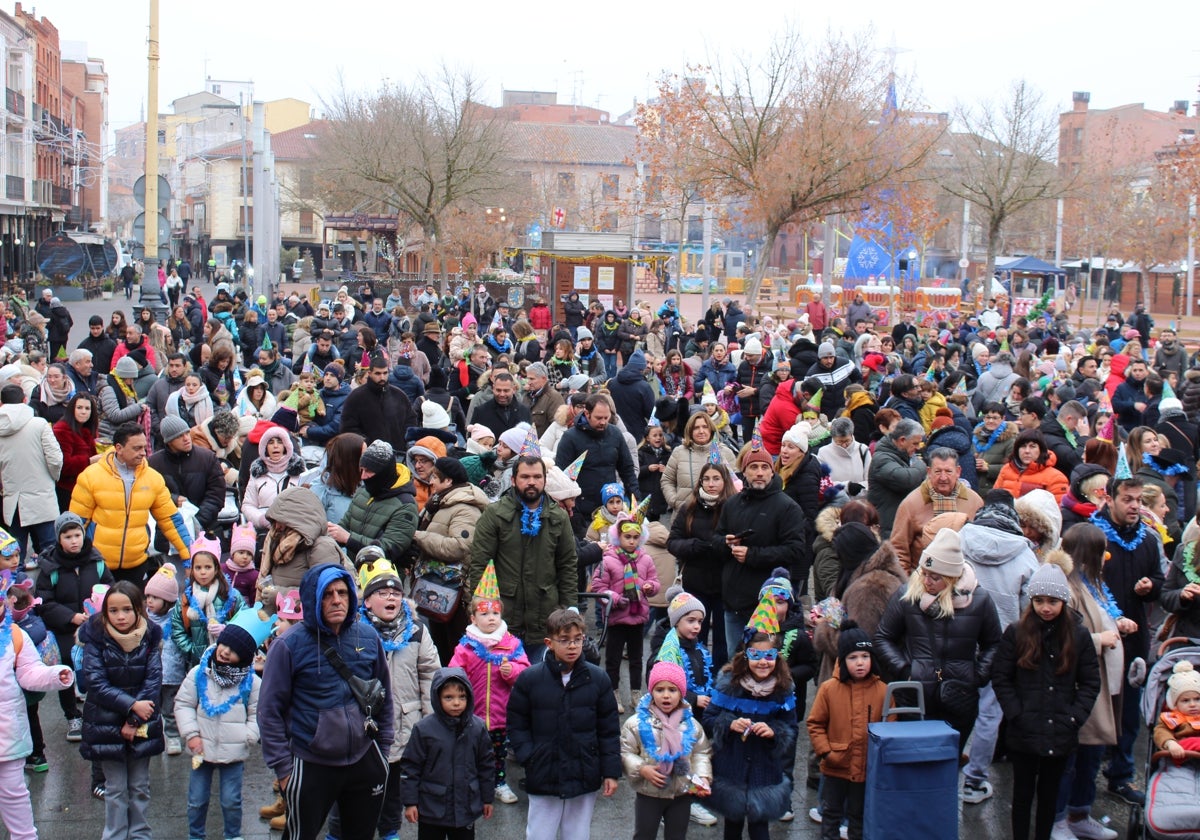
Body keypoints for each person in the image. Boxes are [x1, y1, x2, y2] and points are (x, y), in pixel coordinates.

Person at [257, 563, 394, 840]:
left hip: (363, 758)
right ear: (313, 599)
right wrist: (284, 770)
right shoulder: (288, 645)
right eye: (327, 594)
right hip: (311, 762)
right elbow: (269, 711)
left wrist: (383, 752)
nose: (337, 600)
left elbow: (385, 696)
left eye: (342, 593)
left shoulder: (367, 637)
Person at [327, 559, 440, 840]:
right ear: (366, 602)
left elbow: (430, 676)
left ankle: (389, 831)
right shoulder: (353, 631)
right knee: (351, 787)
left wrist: (430, 720)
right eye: (382, 593)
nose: (391, 597)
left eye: (396, 593)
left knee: (392, 791)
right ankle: (338, 832)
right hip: (360, 726)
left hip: (404, 721)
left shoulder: (416, 631)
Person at [992, 562, 1100, 840]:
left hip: (1060, 728)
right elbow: (1002, 678)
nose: (1045, 608)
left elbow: (1090, 682)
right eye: (1039, 601)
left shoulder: (1078, 635)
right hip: (1024, 728)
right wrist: (1016, 714)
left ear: (1063, 601)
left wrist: (1074, 717)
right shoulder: (1017, 632)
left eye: (1052, 601)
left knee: (1049, 795)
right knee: (1022, 794)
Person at [874, 529, 1003, 750]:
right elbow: (883, 637)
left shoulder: (979, 600)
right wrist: (905, 670)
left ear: (952, 578)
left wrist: (977, 675)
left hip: (960, 696)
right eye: (924, 573)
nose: (926, 581)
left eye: (935, 577)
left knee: (946, 765)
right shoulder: (908, 595)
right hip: (914, 695)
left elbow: (995, 643)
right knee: (913, 761)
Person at [506, 608, 621, 840]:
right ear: (549, 642)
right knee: (540, 833)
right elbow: (517, 723)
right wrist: (529, 755)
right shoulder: (530, 679)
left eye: (577, 640)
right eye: (565, 640)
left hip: (584, 770)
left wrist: (610, 771)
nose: (572, 646)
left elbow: (609, 730)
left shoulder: (598, 679)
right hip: (544, 771)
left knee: (578, 833)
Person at [958, 492, 1042, 805]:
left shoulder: (959, 538)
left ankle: (938, 767)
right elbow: (1030, 608)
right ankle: (974, 781)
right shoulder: (1025, 556)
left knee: (946, 702)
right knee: (989, 714)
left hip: (955, 635)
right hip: (1003, 644)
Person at [702, 595, 798, 839]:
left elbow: (791, 728)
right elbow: (710, 718)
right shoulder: (728, 684)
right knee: (732, 827)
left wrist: (774, 731)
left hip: (764, 770)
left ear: (777, 657)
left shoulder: (782, 689)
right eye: (756, 655)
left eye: (769, 656)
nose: (763, 663)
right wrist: (729, 723)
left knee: (759, 829)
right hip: (731, 767)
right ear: (746, 656)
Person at [468, 455, 578, 663]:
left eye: (537, 476)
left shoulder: (558, 516)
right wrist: (481, 610)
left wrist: (569, 608)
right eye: (525, 476)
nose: (531, 482)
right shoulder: (495, 514)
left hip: (545, 617)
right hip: (504, 619)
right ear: (513, 480)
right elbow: (480, 565)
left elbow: (567, 565)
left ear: (544, 480)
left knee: (541, 687)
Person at [1096, 474, 1163, 806]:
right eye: (1128, 499)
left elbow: (1162, 582)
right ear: (1109, 499)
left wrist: (1151, 586)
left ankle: (1120, 776)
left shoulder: (1149, 540)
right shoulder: (1093, 537)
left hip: (1135, 641)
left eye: (1139, 500)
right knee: (1095, 710)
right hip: (1098, 640)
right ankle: (1080, 780)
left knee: (1129, 714)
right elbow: (1082, 585)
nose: (1135, 506)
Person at [79, 581, 164, 840]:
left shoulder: (150, 636)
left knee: (139, 786)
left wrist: (134, 719)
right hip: (105, 724)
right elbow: (96, 682)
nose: (121, 616)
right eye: (114, 611)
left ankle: (139, 834)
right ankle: (115, 835)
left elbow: (152, 682)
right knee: (115, 788)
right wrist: (130, 705)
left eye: (127, 609)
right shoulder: (96, 638)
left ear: (138, 609)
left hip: (141, 723)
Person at [174, 608, 268, 840]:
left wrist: (249, 734)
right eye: (224, 645)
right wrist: (191, 733)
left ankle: (233, 835)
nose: (226, 652)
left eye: (234, 651)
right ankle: (196, 835)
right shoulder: (199, 673)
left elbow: (259, 711)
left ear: (245, 657)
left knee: (231, 800)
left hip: (234, 749)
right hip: (200, 747)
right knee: (196, 799)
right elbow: (183, 704)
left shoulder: (251, 682)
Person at [448, 562, 531, 806]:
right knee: (469, 751)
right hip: (471, 715)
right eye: (484, 614)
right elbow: (453, 674)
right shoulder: (466, 646)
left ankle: (499, 783)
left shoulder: (512, 644)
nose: (491, 618)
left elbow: (525, 672)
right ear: (473, 617)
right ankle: (471, 783)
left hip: (500, 714)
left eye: (495, 613)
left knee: (498, 753)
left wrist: (511, 670)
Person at [71, 422, 192, 585]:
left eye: (144, 447)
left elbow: (170, 520)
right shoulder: (91, 477)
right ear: (119, 448)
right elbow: (76, 524)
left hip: (137, 563)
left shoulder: (153, 478)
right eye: (136, 448)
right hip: (99, 563)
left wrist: (187, 556)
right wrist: (72, 561)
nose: (143, 453)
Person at [0, 569, 73, 837]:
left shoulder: (15, 635)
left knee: (15, 793)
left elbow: (30, 671)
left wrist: (55, 675)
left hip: (7, 733)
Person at [715, 443, 807, 648]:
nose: (759, 473)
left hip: (768, 603)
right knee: (736, 662)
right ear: (744, 471)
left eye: (764, 467)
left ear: (772, 471)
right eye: (753, 467)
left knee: (766, 662)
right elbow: (716, 539)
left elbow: (796, 550)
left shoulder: (787, 507)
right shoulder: (732, 504)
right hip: (734, 600)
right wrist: (726, 542)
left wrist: (752, 555)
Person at [806, 622, 887, 840]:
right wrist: (826, 753)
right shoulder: (829, 689)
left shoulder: (883, 691)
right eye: (853, 657)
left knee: (859, 816)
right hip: (836, 766)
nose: (860, 663)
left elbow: (889, 729)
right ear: (842, 660)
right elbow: (815, 723)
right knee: (831, 815)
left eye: (865, 656)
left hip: (866, 768)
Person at [619, 660, 714, 840]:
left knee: (677, 835)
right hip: (649, 792)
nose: (666, 696)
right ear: (651, 691)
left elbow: (701, 752)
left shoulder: (691, 725)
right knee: (644, 834)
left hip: (681, 792)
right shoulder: (637, 723)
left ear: (681, 693)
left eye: (672, 690)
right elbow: (625, 751)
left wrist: (702, 777)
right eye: (659, 689)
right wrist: (642, 768)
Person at [398, 667, 496, 839]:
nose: (456, 703)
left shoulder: (477, 728)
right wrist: (410, 802)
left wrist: (487, 799)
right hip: (432, 808)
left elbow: (486, 765)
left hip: (465, 807)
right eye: (448, 697)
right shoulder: (424, 729)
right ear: (437, 698)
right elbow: (411, 767)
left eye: (462, 697)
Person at [412, 457, 489, 663]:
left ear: (449, 481)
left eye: (435, 477)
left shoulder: (465, 508)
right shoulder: (440, 503)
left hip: (455, 593)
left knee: (455, 651)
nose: (431, 481)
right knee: (440, 647)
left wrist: (419, 537)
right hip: (439, 588)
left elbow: (459, 546)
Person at [592, 513, 661, 713]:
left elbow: (655, 582)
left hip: (637, 616)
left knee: (636, 657)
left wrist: (650, 587)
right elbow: (598, 587)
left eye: (635, 537)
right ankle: (613, 692)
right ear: (618, 537)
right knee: (613, 658)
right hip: (616, 617)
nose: (631, 541)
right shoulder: (608, 560)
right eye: (627, 537)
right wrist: (614, 597)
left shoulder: (645, 559)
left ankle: (635, 692)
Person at [329, 439, 419, 571]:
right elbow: (345, 524)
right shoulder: (363, 492)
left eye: (369, 471)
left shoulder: (406, 505)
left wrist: (348, 539)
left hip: (383, 579)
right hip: (355, 571)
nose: (363, 476)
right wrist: (330, 532)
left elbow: (389, 549)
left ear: (384, 472)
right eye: (362, 470)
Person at [889, 448, 984, 573]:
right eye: (938, 471)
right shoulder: (911, 503)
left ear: (958, 472)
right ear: (929, 472)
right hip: (922, 578)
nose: (943, 477)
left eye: (948, 471)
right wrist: (909, 584)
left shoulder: (974, 501)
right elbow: (898, 549)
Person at [0, 384, 63, 565]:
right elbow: (55, 459)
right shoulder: (39, 424)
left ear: (2, 403)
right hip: (42, 496)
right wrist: (52, 478)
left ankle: (11, 591)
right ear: (24, 400)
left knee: (12, 557)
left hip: (13, 501)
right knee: (50, 551)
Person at [556, 393, 638, 524]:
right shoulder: (570, 438)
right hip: (580, 511)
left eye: (606, 417)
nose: (603, 422)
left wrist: (635, 499)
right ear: (587, 414)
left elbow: (627, 469)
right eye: (598, 418)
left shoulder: (615, 434)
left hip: (610, 509)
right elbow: (560, 476)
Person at [169, 536, 245, 673]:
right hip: (198, 663)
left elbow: (244, 619)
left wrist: (226, 628)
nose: (203, 572)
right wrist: (191, 649)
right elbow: (176, 627)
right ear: (192, 569)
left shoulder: (230, 595)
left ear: (216, 569)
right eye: (198, 568)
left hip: (228, 659)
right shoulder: (187, 597)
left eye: (207, 567)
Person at [147, 415, 225, 547]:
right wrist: (172, 498)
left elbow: (216, 494)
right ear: (169, 441)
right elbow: (149, 493)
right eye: (179, 436)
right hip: (169, 533)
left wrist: (197, 521)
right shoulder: (154, 463)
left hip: (206, 530)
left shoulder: (207, 458)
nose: (186, 438)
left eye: (187, 433)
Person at [338, 352, 416, 453]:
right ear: (369, 373)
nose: (382, 377)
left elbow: (411, 420)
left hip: (397, 454)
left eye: (385, 373)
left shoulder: (399, 395)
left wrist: (404, 440)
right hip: (368, 455)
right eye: (378, 373)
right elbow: (347, 428)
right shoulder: (356, 397)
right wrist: (367, 445)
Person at [661, 412, 738, 513]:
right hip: (685, 516)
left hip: (718, 516)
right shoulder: (679, 452)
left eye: (705, 427)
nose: (701, 431)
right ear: (690, 431)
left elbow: (736, 484)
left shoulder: (725, 452)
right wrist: (675, 502)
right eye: (696, 427)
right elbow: (667, 480)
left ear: (711, 429)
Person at [866, 419, 926, 541]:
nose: (918, 448)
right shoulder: (882, 459)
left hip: (896, 525)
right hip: (887, 529)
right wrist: (921, 465)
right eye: (915, 444)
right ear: (902, 440)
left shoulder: (899, 455)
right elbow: (906, 479)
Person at [994, 429, 1070, 503]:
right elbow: (994, 500)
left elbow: (1058, 511)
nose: (1027, 451)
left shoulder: (1056, 477)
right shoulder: (1006, 469)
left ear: (1041, 450)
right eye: (1023, 446)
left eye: (1032, 446)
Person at [1152, 660, 1200, 759]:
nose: (1192, 704)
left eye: (1197, 699)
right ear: (1175, 704)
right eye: (1185, 701)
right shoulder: (1172, 718)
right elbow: (1161, 731)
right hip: (1181, 754)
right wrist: (1170, 743)